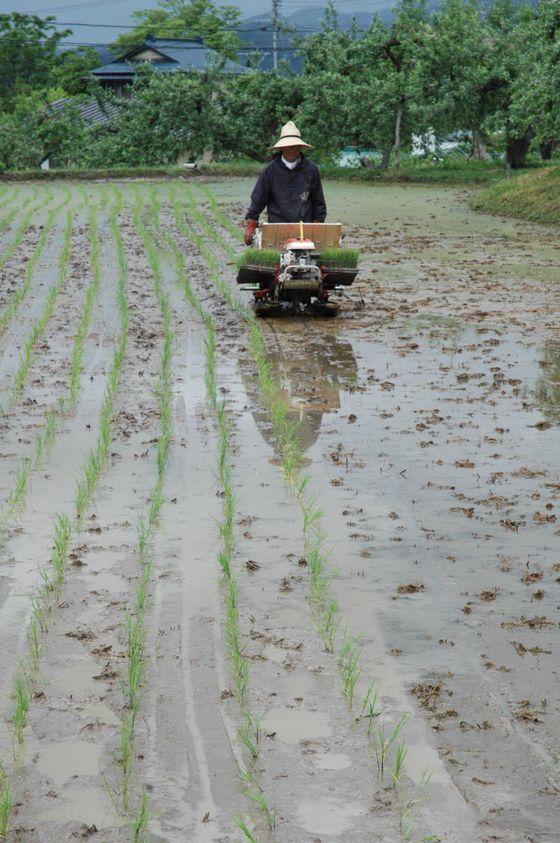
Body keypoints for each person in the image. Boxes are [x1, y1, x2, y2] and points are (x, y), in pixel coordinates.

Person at [244, 121, 327, 245]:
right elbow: (258, 199)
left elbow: (318, 201)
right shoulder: (270, 170)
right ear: (282, 147)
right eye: (288, 146)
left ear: (300, 147)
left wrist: (317, 226)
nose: (292, 149)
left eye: (295, 146)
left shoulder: (311, 169)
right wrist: (251, 226)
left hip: (305, 228)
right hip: (277, 226)